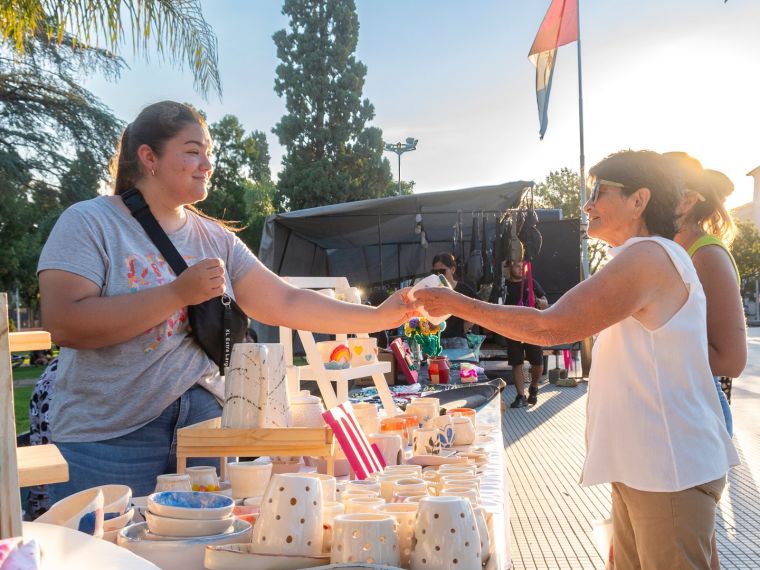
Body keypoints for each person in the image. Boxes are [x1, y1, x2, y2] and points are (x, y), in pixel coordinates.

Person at [37, 101, 414, 500]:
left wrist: (378, 316)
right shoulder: (89, 222)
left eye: (209, 152)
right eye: (192, 151)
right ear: (149, 157)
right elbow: (65, 323)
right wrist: (176, 294)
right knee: (107, 542)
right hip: (108, 439)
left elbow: (285, 301)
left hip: (205, 428)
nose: (207, 164)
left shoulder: (216, 239)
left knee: (206, 539)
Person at [414, 150, 740, 569]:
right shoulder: (648, 256)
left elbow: (552, 327)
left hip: (669, 471)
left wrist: (454, 302)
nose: (587, 205)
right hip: (650, 469)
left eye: (598, 191)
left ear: (639, 200)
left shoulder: (649, 258)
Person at [665, 152, 747, 570]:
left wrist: (657, 354)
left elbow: (731, 358)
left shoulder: (706, 254)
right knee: (696, 546)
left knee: (694, 546)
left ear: (688, 198)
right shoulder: (670, 249)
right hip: (678, 412)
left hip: (698, 413)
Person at [500, 259, 549, 408]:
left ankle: (533, 388)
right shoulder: (504, 285)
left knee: (537, 363)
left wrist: (538, 300)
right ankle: (520, 396)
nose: (520, 268)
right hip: (512, 329)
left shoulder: (531, 283)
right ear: (510, 267)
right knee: (516, 363)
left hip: (532, 328)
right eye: (517, 265)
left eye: (523, 266)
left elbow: (545, 303)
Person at [430, 252, 476, 349]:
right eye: (435, 272)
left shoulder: (463, 289)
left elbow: (476, 310)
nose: (438, 275)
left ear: (453, 270)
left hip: (458, 340)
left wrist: (463, 328)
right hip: (436, 340)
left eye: (442, 271)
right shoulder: (431, 290)